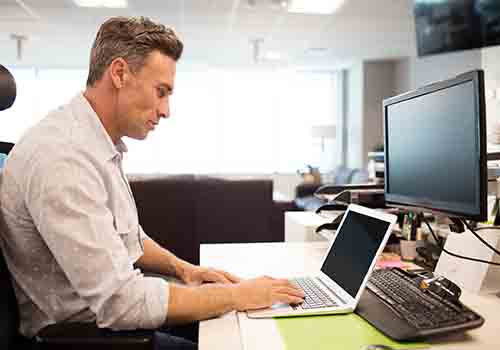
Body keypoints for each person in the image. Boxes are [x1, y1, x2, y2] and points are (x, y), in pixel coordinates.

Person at [0, 16, 304, 349]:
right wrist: (235, 294)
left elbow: (129, 237)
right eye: (161, 92)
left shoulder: (93, 144)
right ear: (119, 74)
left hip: (105, 321)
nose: (166, 110)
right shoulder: (61, 157)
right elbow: (121, 303)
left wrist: (184, 269)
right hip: (85, 337)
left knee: (243, 323)